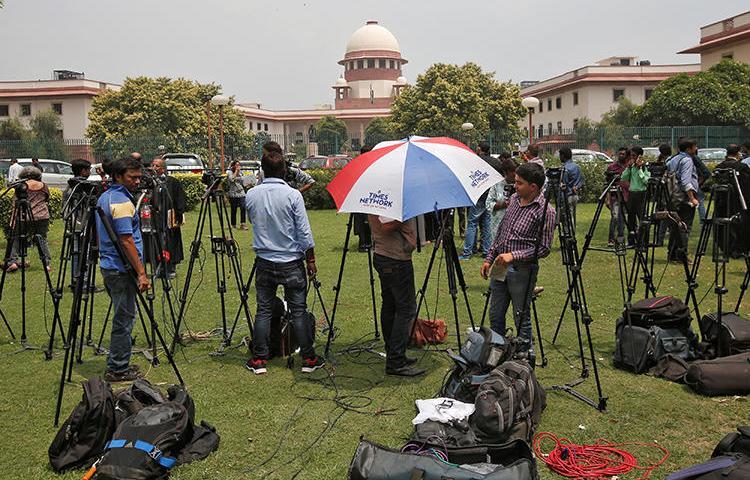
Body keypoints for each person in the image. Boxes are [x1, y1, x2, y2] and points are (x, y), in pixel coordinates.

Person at [244, 152, 323, 375]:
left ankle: (259, 359)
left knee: (264, 311)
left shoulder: (252, 195)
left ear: (262, 170)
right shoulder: (293, 195)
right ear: (284, 171)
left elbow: (254, 221)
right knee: (298, 311)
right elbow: (304, 233)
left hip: (265, 260)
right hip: (291, 260)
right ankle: (308, 358)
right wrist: (311, 259)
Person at [481, 163, 555, 356]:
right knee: (495, 314)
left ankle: (523, 359)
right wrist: (489, 258)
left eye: (520, 183)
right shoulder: (514, 200)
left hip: (522, 271)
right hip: (500, 267)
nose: (515, 186)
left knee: (521, 317)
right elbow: (501, 233)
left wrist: (513, 256)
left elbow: (544, 248)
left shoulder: (545, 211)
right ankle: (497, 354)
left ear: (533, 187)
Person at [96, 156, 150, 382]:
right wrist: (141, 272)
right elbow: (126, 240)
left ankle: (119, 362)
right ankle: (117, 368)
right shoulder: (121, 202)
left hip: (111, 266)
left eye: (139, 177)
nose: (137, 181)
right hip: (121, 268)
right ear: (118, 176)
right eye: (132, 177)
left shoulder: (106, 196)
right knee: (124, 318)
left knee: (123, 315)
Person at [369, 213, 425, 377]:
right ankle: (396, 360)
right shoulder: (389, 199)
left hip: (384, 255)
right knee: (406, 309)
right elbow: (385, 226)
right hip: (395, 258)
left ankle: (393, 351)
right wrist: (404, 217)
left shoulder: (377, 196)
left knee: (390, 305)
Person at [5, 166, 52, 273]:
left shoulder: (22, 186)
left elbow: (15, 203)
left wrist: (12, 219)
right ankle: (47, 264)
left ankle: (12, 262)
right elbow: (46, 198)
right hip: (42, 216)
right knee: (42, 239)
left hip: (24, 216)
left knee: (16, 237)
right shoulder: (44, 186)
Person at [460, 142, 501, 259]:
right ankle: (486, 250)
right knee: (486, 224)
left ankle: (467, 252)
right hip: (490, 196)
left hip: (477, 196)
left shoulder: (475, 161)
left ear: (479, 148)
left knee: (472, 223)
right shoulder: (495, 162)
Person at [151, 157, 187, 277]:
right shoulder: (150, 182)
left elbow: (179, 198)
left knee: (170, 241)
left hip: (169, 217)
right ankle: (158, 268)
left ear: (163, 168)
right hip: (155, 218)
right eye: (153, 165)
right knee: (156, 241)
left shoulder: (172, 182)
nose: (154, 168)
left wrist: (180, 213)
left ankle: (170, 267)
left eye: (157, 166)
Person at [666, 138, 700, 262]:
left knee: (675, 227)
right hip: (684, 198)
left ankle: (672, 254)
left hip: (672, 198)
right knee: (685, 227)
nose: (696, 149)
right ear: (688, 149)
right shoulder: (687, 160)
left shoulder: (671, 159)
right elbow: (686, 181)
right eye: (694, 147)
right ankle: (682, 255)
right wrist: (692, 198)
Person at [621, 146, 650, 246]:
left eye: (634, 156)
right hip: (632, 194)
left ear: (639, 156)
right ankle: (631, 241)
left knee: (642, 218)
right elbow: (623, 178)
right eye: (631, 156)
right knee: (631, 219)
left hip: (641, 194)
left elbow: (646, 181)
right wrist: (628, 168)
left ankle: (643, 241)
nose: (632, 158)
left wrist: (639, 170)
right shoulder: (631, 167)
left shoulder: (645, 167)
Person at [485, 155, 516, 238]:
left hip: (515, 226)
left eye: (516, 171)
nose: (514, 174)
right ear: (505, 172)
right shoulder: (497, 185)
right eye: (512, 171)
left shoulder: (520, 185)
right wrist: (500, 205)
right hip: (498, 225)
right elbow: (488, 204)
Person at [605, 147, 629, 246]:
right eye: (620, 154)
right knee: (614, 217)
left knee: (622, 218)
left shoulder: (629, 167)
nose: (621, 156)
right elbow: (607, 184)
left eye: (623, 154)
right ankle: (611, 239)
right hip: (615, 196)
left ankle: (620, 238)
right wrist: (607, 198)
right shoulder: (611, 167)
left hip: (627, 195)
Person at [353, 145, 374, 252]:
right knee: (365, 221)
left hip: (360, 198)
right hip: (366, 197)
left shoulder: (357, 164)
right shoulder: (367, 165)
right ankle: (365, 244)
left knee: (363, 221)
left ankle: (365, 243)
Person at [559, 147, 583, 234]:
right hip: (575, 195)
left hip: (567, 196)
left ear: (563, 156)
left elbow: (563, 184)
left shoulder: (565, 169)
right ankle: (572, 234)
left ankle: (569, 235)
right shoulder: (577, 167)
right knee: (573, 216)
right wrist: (576, 187)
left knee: (567, 218)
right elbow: (581, 181)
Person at [227, 160, 248, 230]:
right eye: (236, 165)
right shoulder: (229, 173)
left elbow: (244, 182)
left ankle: (243, 224)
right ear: (233, 166)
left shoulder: (241, 173)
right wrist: (236, 171)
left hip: (241, 193)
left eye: (239, 165)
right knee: (234, 209)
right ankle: (233, 225)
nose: (238, 167)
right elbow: (232, 179)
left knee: (243, 207)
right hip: (233, 193)